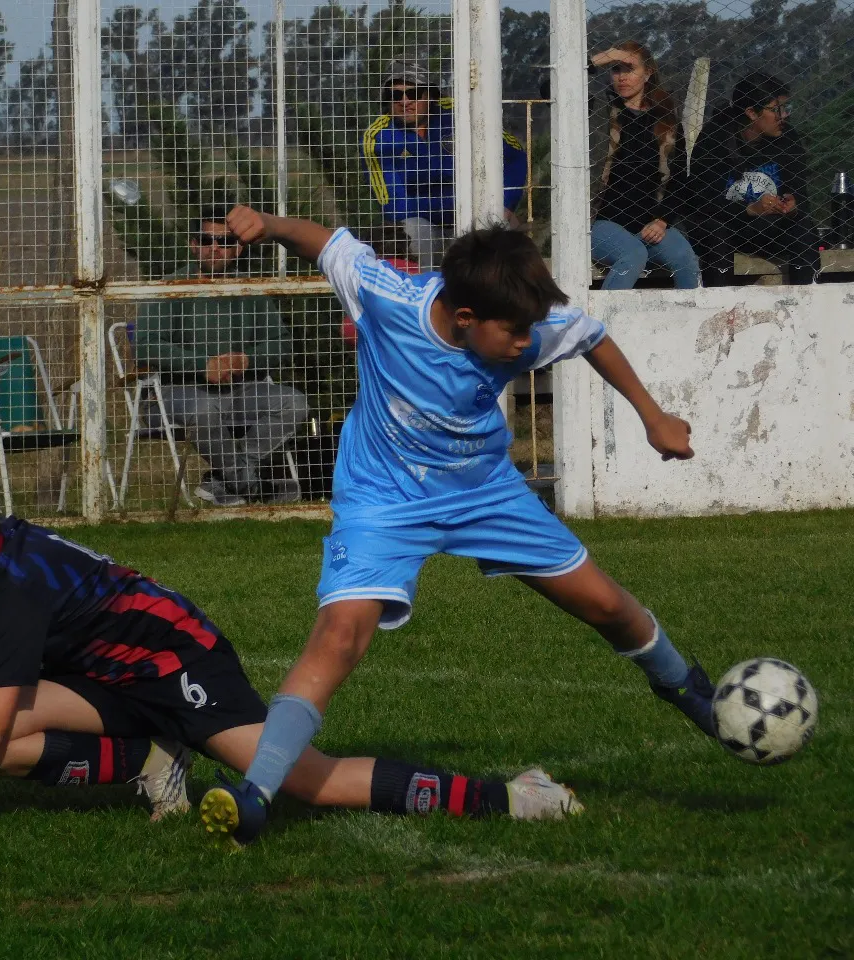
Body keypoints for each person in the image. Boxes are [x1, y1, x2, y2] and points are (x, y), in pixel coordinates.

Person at [197, 207, 717, 848]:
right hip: (383, 501)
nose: (528, 345)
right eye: (516, 334)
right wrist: (270, 225)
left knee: (607, 604)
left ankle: (688, 692)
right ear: (464, 318)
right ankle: (257, 794)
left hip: (484, 492)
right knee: (337, 638)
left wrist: (654, 416)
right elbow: (330, 243)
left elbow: (592, 338)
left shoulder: (521, 318)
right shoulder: (389, 298)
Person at [0, 468, 583, 846]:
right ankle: (154, 762)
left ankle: (514, 796)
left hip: (181, 665)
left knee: (306, 781)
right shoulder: (2, 548)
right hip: (114, 674)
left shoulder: (11, 587)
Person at [135, 204, 310, 507]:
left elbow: (282, 344)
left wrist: (247, 361)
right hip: (176, 393)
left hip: (241, 391)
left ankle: (225, 481)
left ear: (238, 249)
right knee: (204, 409)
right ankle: (253, 487)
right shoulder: (170, 288)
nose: (214, 248)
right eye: (206, 241)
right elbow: (146, 345)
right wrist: (203, 365)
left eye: (225, 242)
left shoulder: (250, 290)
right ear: (193, 245)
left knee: (294, 402)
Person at [362, 61, 528, 267]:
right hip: (426, 225)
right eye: (395, 95)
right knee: (410, 230)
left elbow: (516, 156)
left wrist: (505, 204)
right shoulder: (378, 137)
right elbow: (395, 207)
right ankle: (424, 295)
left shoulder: (462, 114)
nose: (404, 102)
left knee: (502, 226)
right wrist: (460, 203)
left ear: (430, 95)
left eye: (413, 93)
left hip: (475, 214)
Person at [682, 72, 820, 286]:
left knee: (804, 228)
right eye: (775, 110)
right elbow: (702, 202)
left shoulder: (788, 139)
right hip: (728, 226)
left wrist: (792, 206)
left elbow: (799, 192)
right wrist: (750, 209)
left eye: (785, 108)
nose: (783, 115)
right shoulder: (715, 138)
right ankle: (719, 305)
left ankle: (808, 301)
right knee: (715, 232)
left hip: (770, 226)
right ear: (751, 113)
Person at [588, 42, 699, 289]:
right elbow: (551, 87)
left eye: (629, 68)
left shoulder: (666, 119)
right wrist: (604, 56)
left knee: (685, 258)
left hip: (650, 223)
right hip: (601, 221)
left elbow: (680, 177)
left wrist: (662, 221)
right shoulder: (597, 110)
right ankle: (606, 325)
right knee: (633, 254)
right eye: (615, 69)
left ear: (648, 73)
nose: (622, 77)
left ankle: (687, 323)